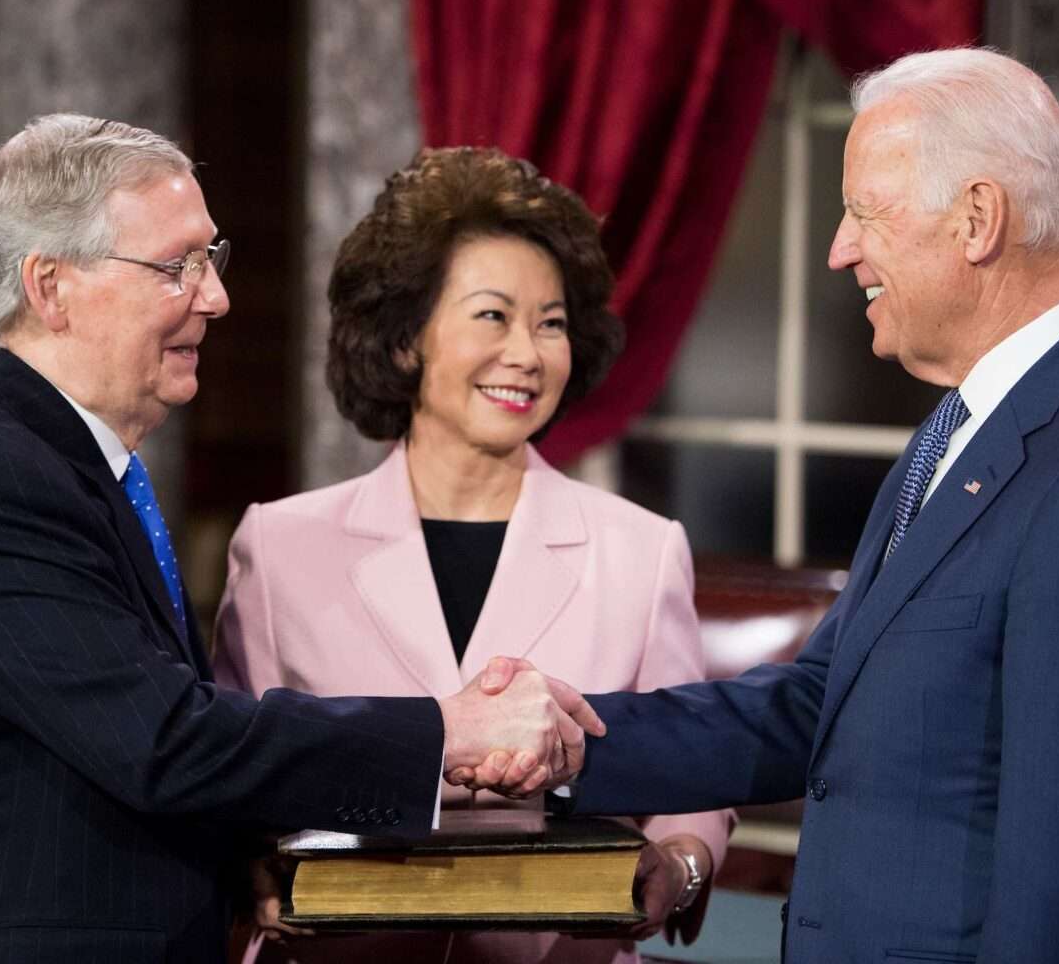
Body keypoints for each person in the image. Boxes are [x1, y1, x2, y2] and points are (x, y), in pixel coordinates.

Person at [464, 48, 1059, 963]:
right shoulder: (966, 427)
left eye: (864, 210)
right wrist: (576, 745)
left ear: (977, 219)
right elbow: (818, 706)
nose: (839, 246)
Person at [0, 114, 604, 964]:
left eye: (210, 258)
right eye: (175, 266)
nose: (216, 296)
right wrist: (446, 733)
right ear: (50, 287)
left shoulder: (63, 466)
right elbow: (164, 742)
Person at [212, 147, 730, 963]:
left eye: (550, 323)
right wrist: (247, 864)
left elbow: (690, 789)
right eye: (492, 315)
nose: (526, 353)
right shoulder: (278, 546)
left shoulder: (642, 550)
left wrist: (681, 866)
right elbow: (229, 775)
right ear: (403, 342)